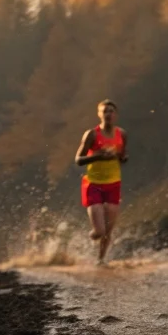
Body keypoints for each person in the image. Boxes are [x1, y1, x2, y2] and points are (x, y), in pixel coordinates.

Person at [74, 99, 128, 266]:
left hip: (113, 184)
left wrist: (123, 158)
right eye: (104, 111)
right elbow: (78, 159)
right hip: (93, 184)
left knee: (108, 231)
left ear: (115, 115)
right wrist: (98, 156)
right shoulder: (92, 134)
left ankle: (100, 260)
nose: (108, 114)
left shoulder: (122, 134)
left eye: (111, 111)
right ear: (99, 115)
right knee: (99, 230)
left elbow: (122, 156)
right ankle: (88, 238)